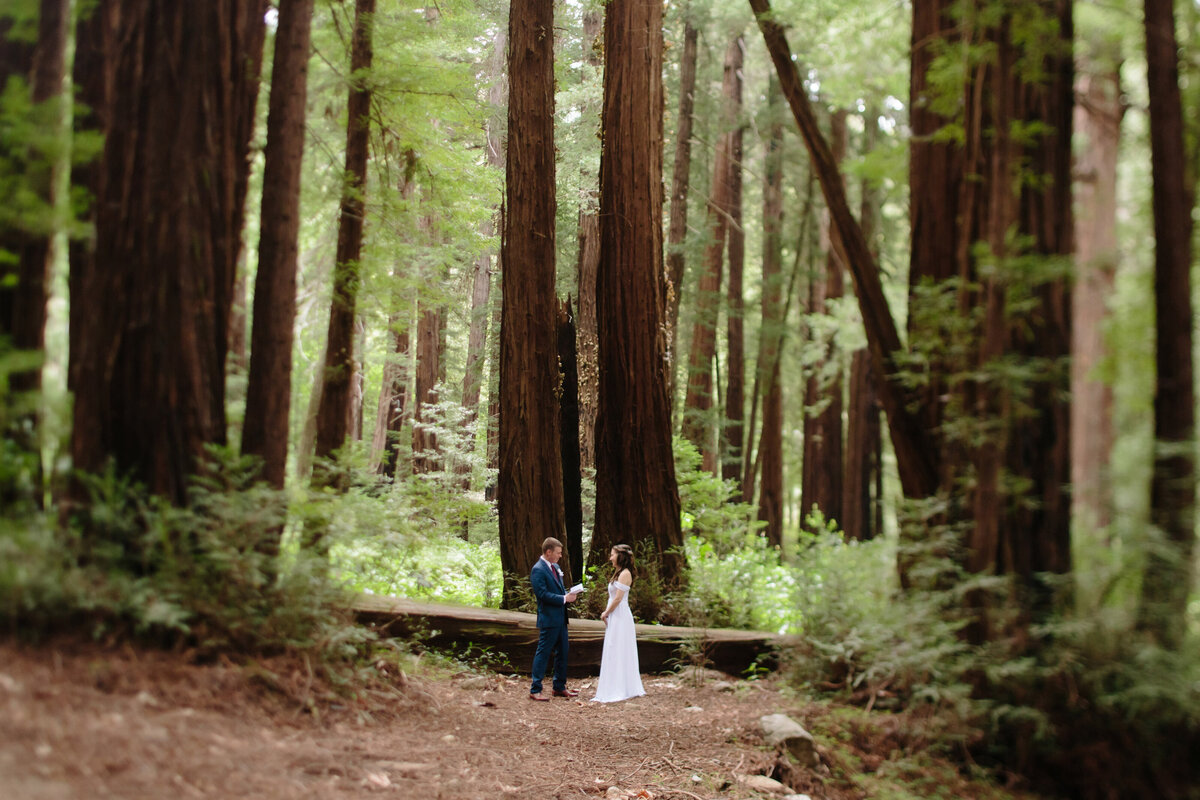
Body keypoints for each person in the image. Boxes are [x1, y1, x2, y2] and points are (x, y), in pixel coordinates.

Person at [591, 544, 645, 703]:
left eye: (612, 554)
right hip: (616, 615)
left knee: (619, 647)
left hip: (620, 615)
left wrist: (606, 612)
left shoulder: (625, 574)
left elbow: (618, 598)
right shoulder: (619, 573)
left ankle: (622, 687)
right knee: (613, 646)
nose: (610, 558)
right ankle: (614, 684)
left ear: (620, 556)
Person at [529, 537, 579, 701]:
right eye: (557, 553)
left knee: (563, 652)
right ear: (548, 552)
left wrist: (569, 594)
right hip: (549, 619)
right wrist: (564, 599)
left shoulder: (556, 567)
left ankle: (559, 686)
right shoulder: (538, 569)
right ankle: (535, 689)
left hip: (561, 619)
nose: (560, 556)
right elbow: (542, 594)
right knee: (543, 653)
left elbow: (557, 589)